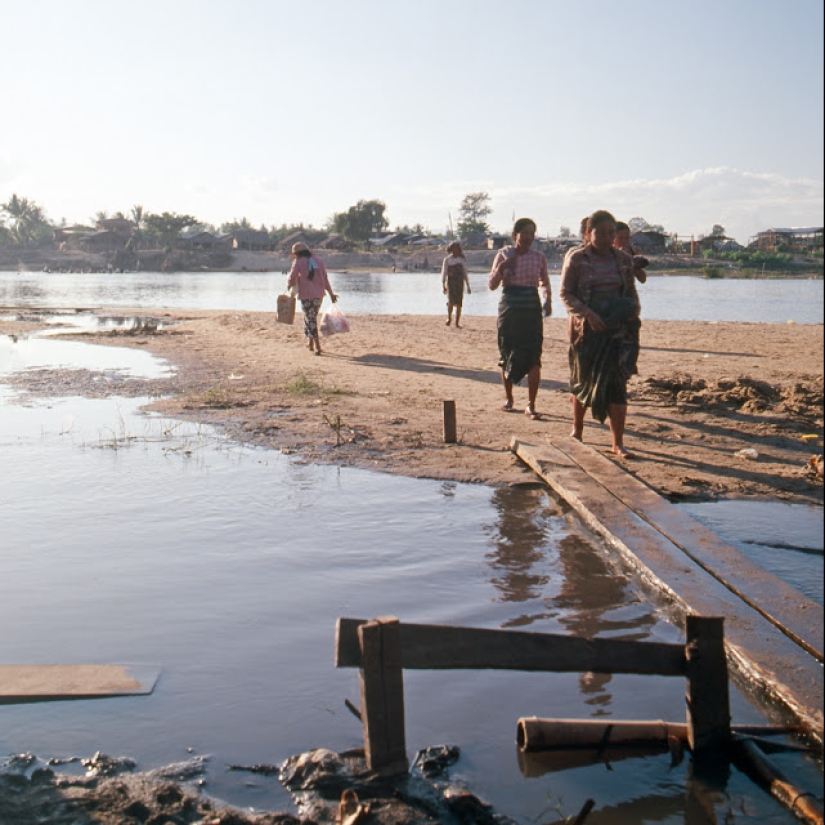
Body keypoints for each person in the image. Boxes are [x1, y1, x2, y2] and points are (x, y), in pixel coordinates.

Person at [560, 210, 640, 457]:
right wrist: (588, 315)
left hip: (617, 331)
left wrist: (630, 317)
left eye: (610, 233)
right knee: (583, 381)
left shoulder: (623, 259)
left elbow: (631, 295)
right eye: (601, 233)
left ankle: (617, 442)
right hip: (586, 331)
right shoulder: (576, 258)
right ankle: (578, 427)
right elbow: (566, 294)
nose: (607, 238)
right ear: (587, 233)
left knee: (617, 384)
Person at [488, 218, 551, 419]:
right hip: (510, 306)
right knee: (507, 352)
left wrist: (547, 299)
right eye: (524, 233)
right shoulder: (503, 254)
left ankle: (531, 404)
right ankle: (509, 399)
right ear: (515, 235)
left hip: (531, 307)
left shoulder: (538, 257)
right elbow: (491, 285)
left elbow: (544, 282)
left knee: (534, 355)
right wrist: (503, 267)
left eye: (531, 234)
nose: (528, 238)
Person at [287, 242, 337, 355]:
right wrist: (331, 293)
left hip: (306, 295)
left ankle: (318, 346)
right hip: (319, 295)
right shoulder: (319, 260)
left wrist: (289, 286)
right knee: (311, 317)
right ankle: (310, 343)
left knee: (310, 318)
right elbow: (325, 278)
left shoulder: (298, 262)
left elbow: (292, 276)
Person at [441, 241, 472, 327]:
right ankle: (449, 318)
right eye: (454, 249)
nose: (455, 251)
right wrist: (443, 284)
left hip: (459, 283)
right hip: (451, 283)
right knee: (450, 302)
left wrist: (468, 285)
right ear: (451, 250)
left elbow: (465, 272)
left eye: (457, 249)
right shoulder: (447, 260)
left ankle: (457, 322)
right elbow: (444, 272)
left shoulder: (461, 260)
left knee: (459, 303)